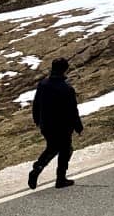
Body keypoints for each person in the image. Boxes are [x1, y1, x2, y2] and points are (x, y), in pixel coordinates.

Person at [28, 58, 83, 190]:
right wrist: (78, 126)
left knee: (52, 148)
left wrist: (37, 120)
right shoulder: (67, 89)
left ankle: (37, 169)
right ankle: (60, 179)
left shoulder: (43, 84)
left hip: (46, 124)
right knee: (65, 150)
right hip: (63, 126)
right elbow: (72, 110)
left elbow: (36, 104)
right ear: (65, 69)